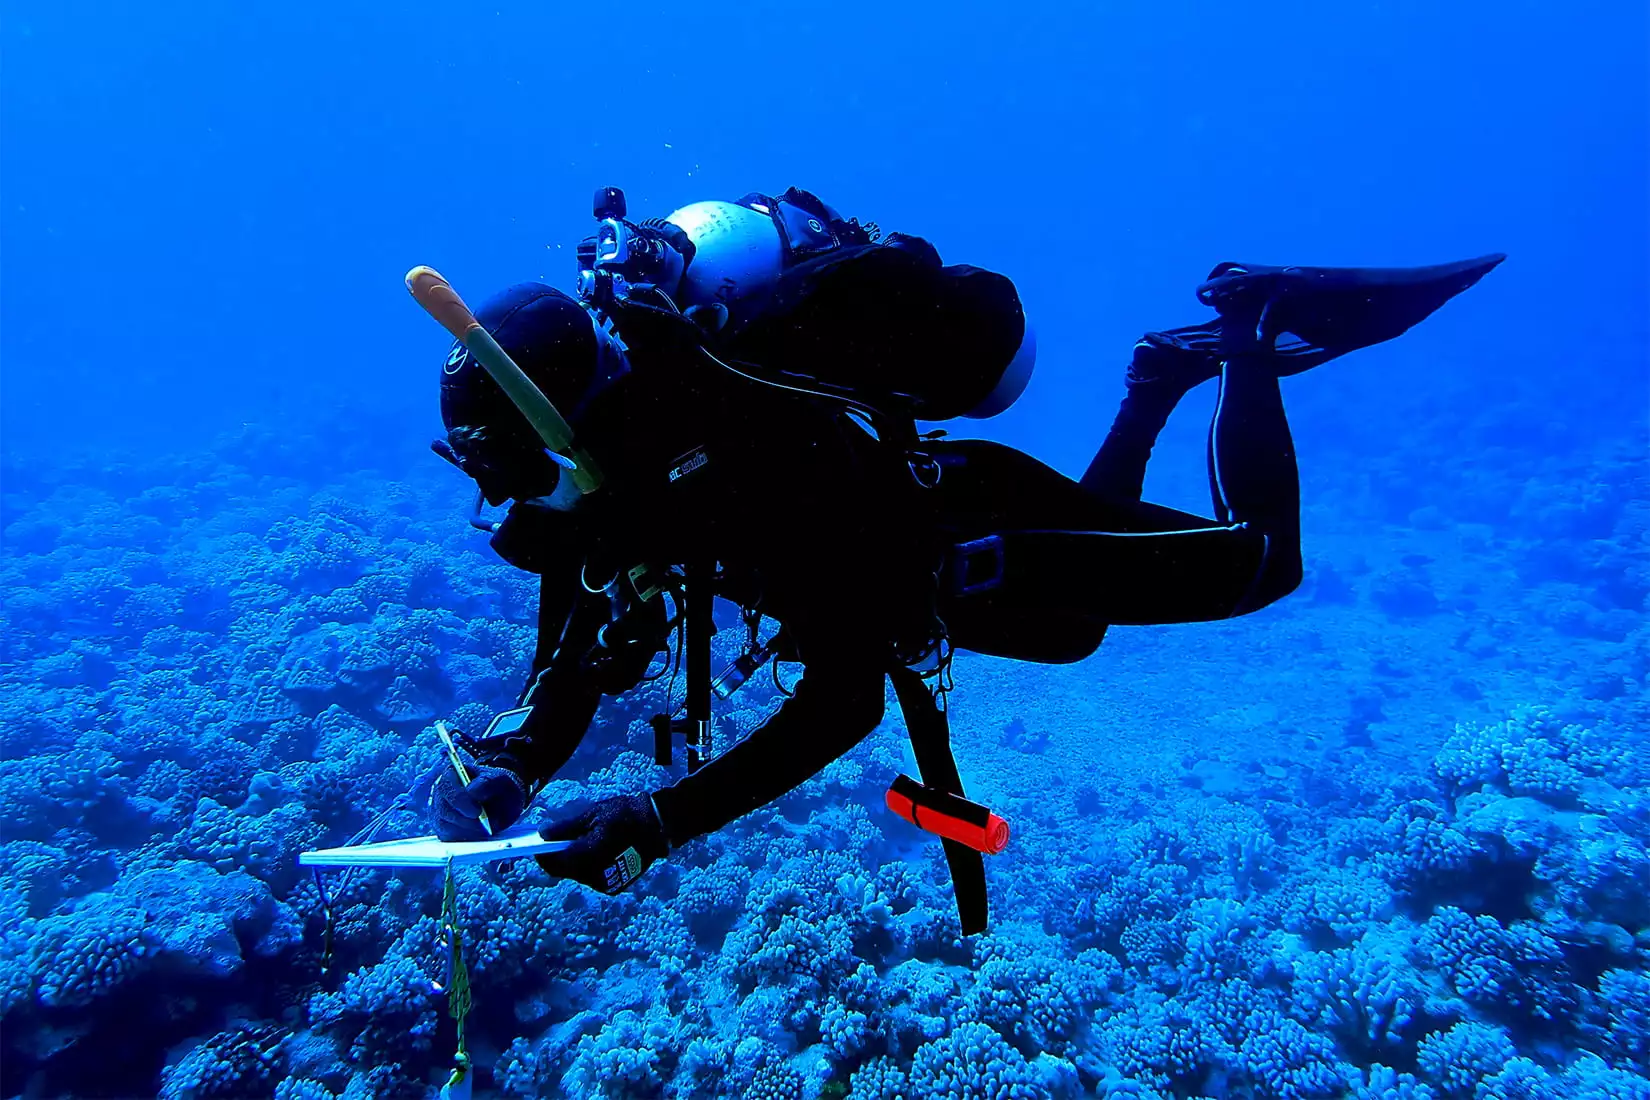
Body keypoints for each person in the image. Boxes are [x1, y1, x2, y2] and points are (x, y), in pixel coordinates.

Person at [427, 185, 1501, 922]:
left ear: (565, 425)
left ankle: (1247, 325)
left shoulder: (746, 453)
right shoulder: (606, 484)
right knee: (1078, 634)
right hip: (918, 583)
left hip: (977, 531)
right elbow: (568, 645)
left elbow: (843, 702)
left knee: (1262, 565)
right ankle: (1153, 380)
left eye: (512, 474)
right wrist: (513, 761)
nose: (508, 508)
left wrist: (661, 819)